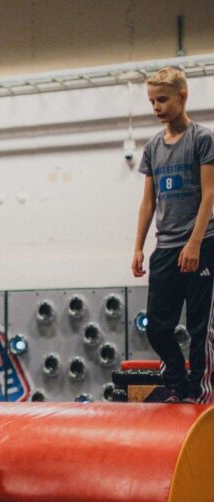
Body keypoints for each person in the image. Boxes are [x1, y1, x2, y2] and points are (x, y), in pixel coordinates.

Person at [131, 66, 214, 402]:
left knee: (199, 328)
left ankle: (201, 393)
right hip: (165, 247)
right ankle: (178, 382)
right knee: (157, 327)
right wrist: (138, 247)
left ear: (182, 97)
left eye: (162, 100)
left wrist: (194, 242)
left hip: (201, 244)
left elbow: (209, 194)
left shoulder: (202, 139)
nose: (156, 107)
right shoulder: (153, 147)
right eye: (152, 101)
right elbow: (148, 201)